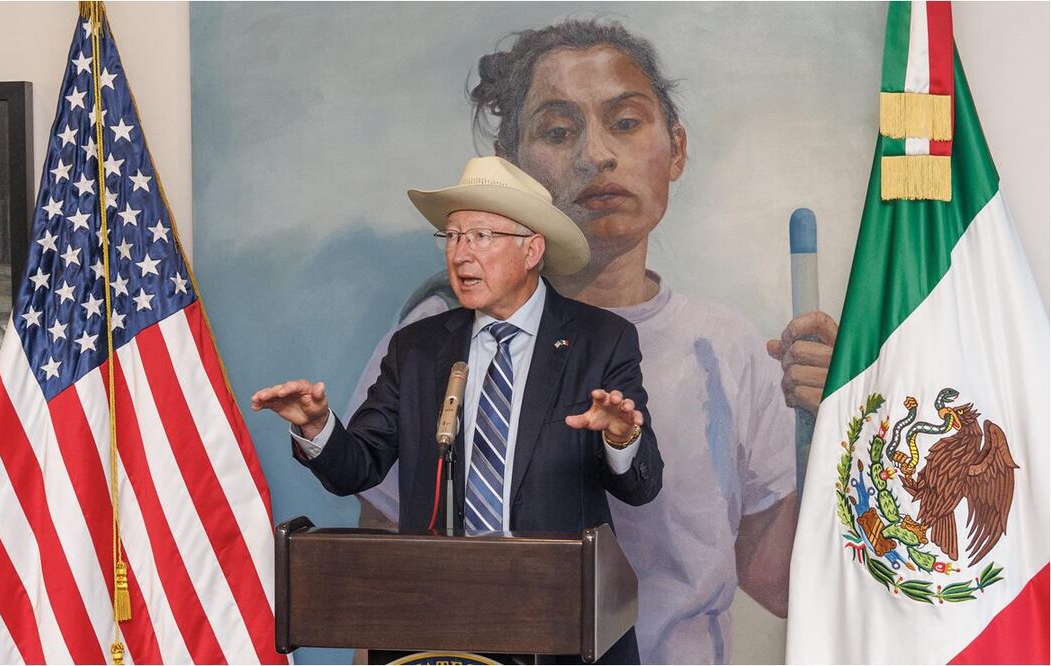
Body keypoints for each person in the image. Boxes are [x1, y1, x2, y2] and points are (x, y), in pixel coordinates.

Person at [347, 19, 838, 664]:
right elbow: (385, 595)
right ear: (512, 165)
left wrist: (839, 428)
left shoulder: (727, 349)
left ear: (677, 148)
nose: (596, 155)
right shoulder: (434, 343)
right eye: (557, 130)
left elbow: (783, 587)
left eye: (627, 122)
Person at [252, 156, 663, 665]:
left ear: (532, 249)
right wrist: (317, 428)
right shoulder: (417, 348)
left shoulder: (601, 340)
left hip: (560, 622)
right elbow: (357, 467)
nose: (461, 254)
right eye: (452, 237)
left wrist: (621, 439)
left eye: (481, 236)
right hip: (436, 621)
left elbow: (643, 487)